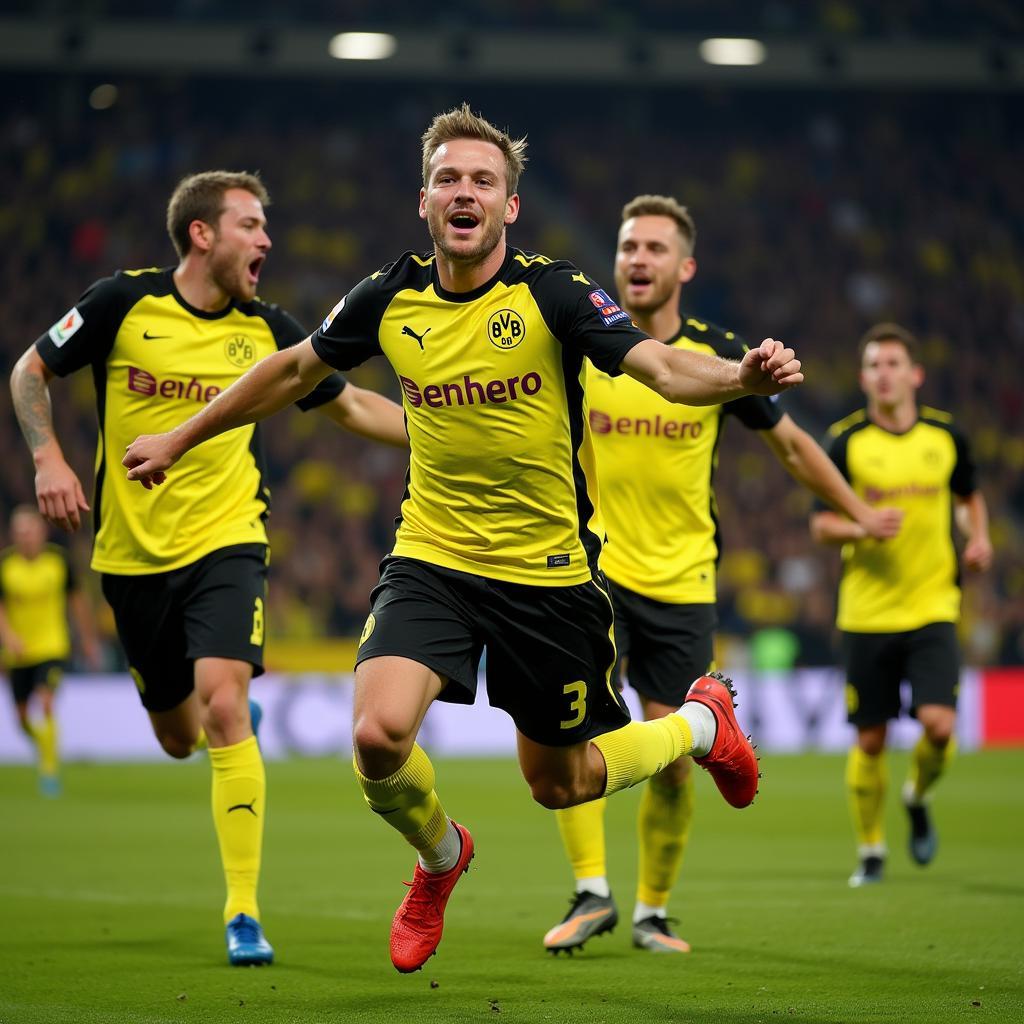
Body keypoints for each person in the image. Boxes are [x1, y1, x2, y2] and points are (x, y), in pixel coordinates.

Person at [120, 105, 804, 975]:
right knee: (376, 739)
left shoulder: (553, 293)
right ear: (424, 200)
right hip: (432, 559)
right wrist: (179, 438)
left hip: (546, 576)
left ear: (510, 207)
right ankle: (441, 857)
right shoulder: (388, 297)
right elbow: (293, 371)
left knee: (565, 783)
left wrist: (737, 375)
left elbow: (662, 368)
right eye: (450, 178)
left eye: (484, 180)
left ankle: (702, 725)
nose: (465, 191)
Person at [10, 170, 408, 965]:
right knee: (177, 734)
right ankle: (216, 723)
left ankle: (243, 914)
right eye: (251, 225)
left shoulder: (269, 330)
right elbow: (29, 372)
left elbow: (353, 405)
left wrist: (448, 432)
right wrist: (48, 457)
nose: (266, 241)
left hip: (229, 542)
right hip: (129, 559)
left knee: (224, 707)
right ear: (202, 234)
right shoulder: (123, 304)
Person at [542, 195, 904, 956]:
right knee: (572, 732)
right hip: (592, 570)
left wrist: (859, 511)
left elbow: (795, 447)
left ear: (685, 267)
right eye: (628, 245)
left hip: (682, 584)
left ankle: (651, 911)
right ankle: (590, 891)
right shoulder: (585, 341)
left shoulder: (717, 354)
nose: (637, 258)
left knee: (673, 762)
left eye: (653, 248)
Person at [810, 322, 992, 887]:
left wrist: (979, 536)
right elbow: (820, 526)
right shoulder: (846, 441)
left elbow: (967, 497)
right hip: (866, 611)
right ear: (863, 378)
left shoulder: (946, 437)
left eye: (893, 363)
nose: (883, 374)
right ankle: (870, 850)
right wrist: (861, 526)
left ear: (914, 374)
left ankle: (915, 795)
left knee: (939, 726)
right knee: (871, 738)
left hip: (934, 603)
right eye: (873, 365)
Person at [0, 505, 101, 796]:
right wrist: (8, 637)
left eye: (30, 530)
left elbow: (77, 601)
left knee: (45, 701)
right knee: (21, 719)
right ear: (12, 535)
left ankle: (49, 771)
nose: (26, 537)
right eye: (20, 532)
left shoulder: (58, 562)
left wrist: (88, 639)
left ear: (41, 532)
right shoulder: (6, 566)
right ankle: (43, 744)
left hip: (52, 646)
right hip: (18, 653)